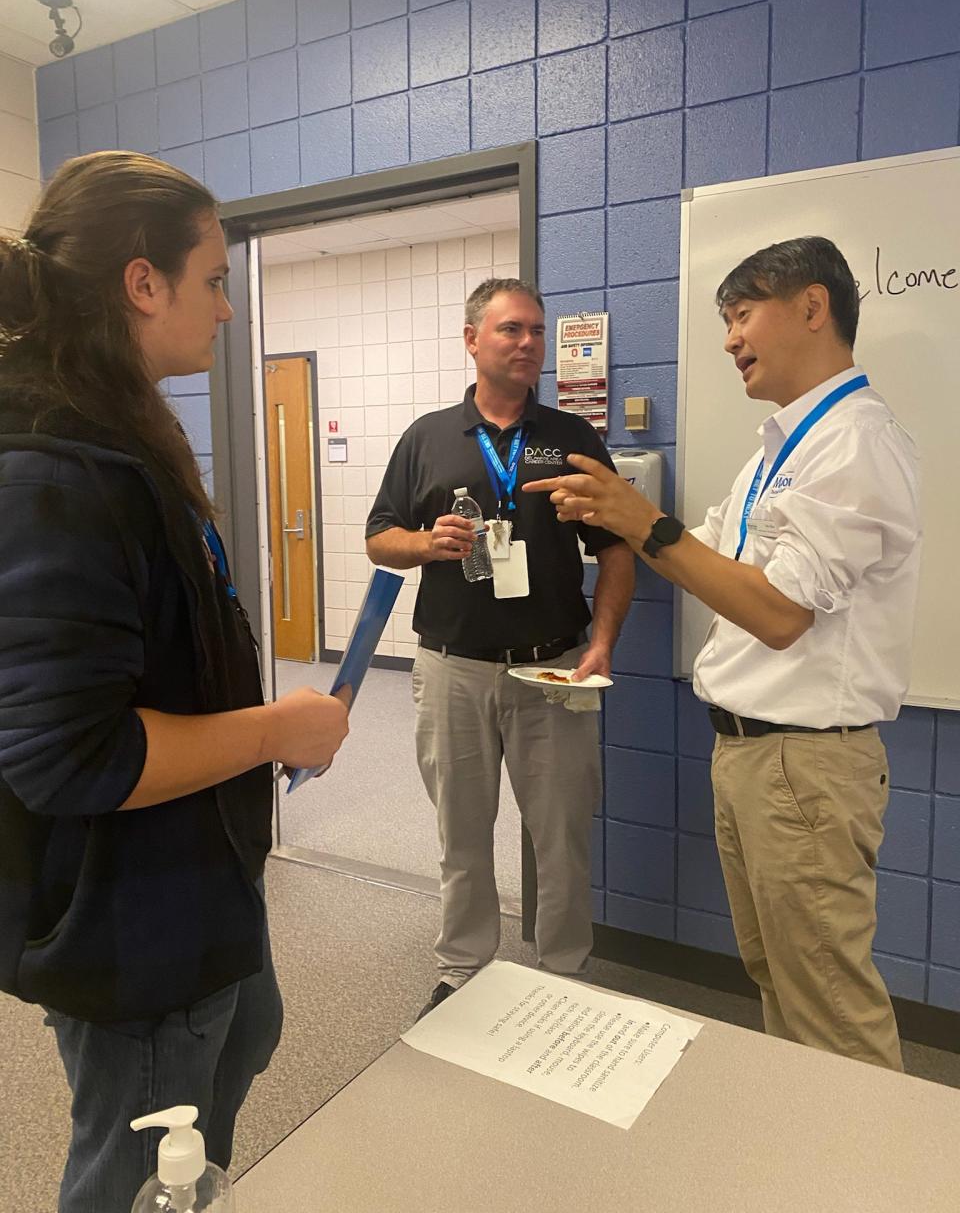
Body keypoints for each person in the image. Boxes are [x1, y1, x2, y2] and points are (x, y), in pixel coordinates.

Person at [0, 150, 350, 1212]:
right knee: (138, 1159)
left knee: (246, 1027)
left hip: (194, 879)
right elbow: (73, 754)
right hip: (129, 914)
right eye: (214, 279)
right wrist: (275, 727)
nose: (230, 312)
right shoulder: (54, 469)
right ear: (142, 283)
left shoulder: (122, 439)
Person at [526, 237, 920, 1071]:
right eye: (727, 321)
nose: (731, 339)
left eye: (744, 315)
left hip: (803, 765)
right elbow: (707, 558)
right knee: (782, 981)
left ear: (813, 308)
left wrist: (644, 522)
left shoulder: (854, 442)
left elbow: (779, 615)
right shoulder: (775, 450)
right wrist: (617, 520)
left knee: (830, 1008)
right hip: (754, 757)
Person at [365, 278, 635, 1019]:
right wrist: (426, 543)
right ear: (472, 339)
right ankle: (461, 970)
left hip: (556, 668)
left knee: (562, 835)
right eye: (511, 329)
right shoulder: (427, 437)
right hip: (453, 667)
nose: (528, 344)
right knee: (462, 833)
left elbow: (616, 549)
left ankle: (564, 972)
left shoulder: (573, 438)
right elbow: (378, 535)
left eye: (537, 332)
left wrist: (603, 642)